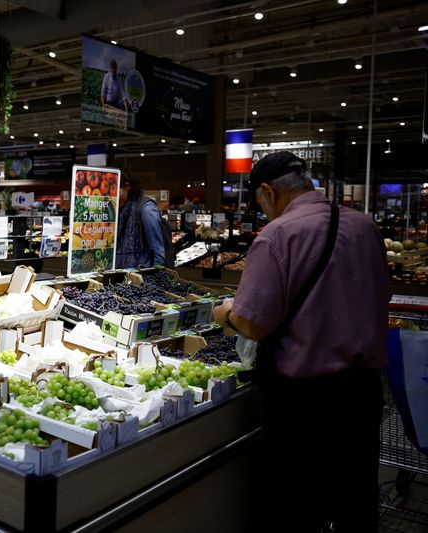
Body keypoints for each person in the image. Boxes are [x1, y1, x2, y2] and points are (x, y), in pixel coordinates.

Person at [211, 151, 389, 533]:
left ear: (267, 191)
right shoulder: (364, 226)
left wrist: (226, 312)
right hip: (362, 393)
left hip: (305, 402)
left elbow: (253, 323)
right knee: (356, 502)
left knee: (295, 507)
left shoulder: (278, 235)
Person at [116, 176, 167, 268]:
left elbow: (157, 254)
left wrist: (148, 274)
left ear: (127, 186)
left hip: (141, 273)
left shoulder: (146, 209)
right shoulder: (117, 209)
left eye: (114, 188)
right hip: (121, 273)